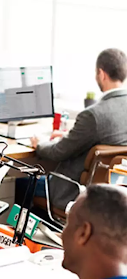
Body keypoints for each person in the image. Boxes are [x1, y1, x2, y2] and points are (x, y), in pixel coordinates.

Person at [30, 48, 127, 210]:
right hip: (114, 196)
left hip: (73, 191)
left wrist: (39, 144)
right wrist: (68, 135)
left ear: (101, 74)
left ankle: (19, 233)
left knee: (22, 182)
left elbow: (58, 152)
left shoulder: (93, 115)